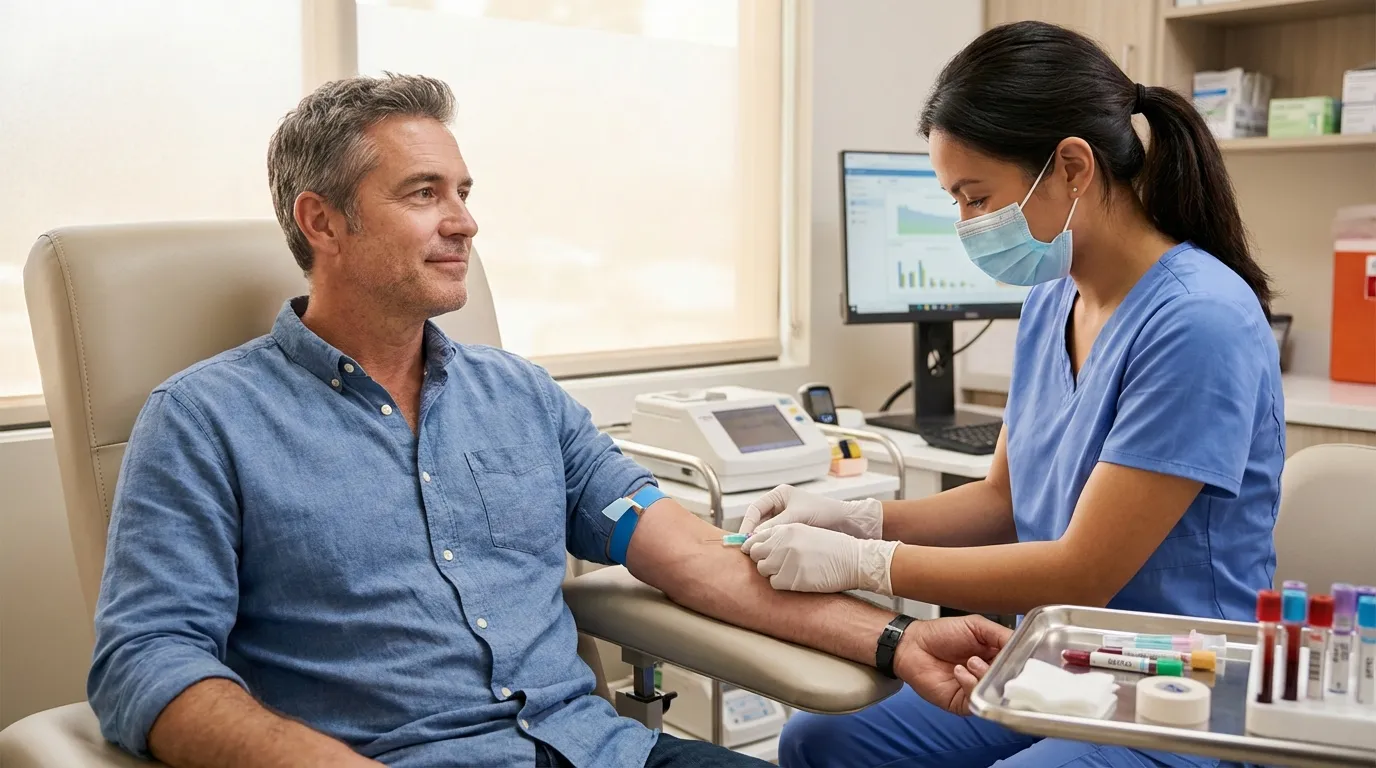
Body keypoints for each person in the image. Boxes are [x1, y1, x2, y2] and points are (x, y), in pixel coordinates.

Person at [85, 74, 1010, 768]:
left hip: (595, 749)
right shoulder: (204, 422)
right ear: (322, 223)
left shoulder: (519, 398)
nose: (465, 223)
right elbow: (146, 664)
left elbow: (693, 561)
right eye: (423, 194)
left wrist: (896, 637)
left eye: (464, 190)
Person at [738, 21, 1284, 768]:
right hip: (1061, 665)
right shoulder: (1051, 302)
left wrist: (862, 563)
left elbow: (1080, 570)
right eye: (955, 200)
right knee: (818, 744)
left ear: (1071, 167)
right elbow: (1003, 500)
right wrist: (851, 517)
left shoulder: (1199, 321)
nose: (966, 225)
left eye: (977, 196)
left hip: (1181, 690)